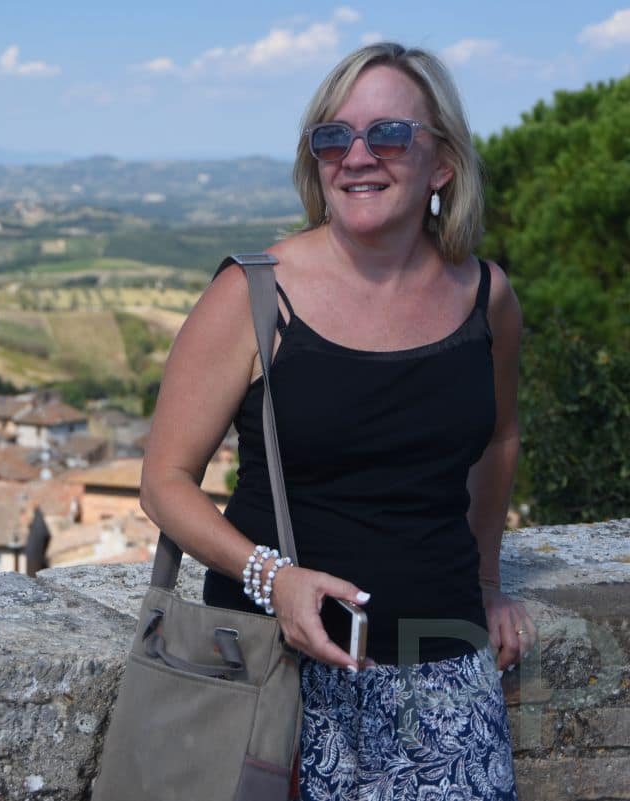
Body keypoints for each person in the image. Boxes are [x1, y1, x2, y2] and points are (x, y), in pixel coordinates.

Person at [139, 42, 535, 800]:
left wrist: (487, 580)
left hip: (444, 675)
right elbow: (165, 481)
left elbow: (499, 436)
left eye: (387, 134)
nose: (356, 155)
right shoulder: (253, 296)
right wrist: (274, 576)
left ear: (442, 163)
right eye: (333, 136)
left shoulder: (486, 296)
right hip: (273, 676)